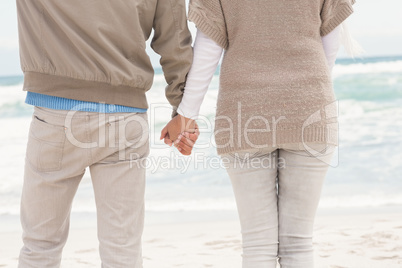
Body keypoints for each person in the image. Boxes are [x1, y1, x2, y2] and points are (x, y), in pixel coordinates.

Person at [167, 0, 356, 267]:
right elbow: (330, 43)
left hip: (243, 115)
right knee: (299, 243)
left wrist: (186, 115)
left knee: (257, 245)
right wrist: (308, 96)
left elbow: (209, 47)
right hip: (310, 112)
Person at [16, 0, 197, 267]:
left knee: (40, 245)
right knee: (122, 251)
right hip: (125, 118)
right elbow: (174, 37)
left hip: (55, 115)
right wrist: (184, 111)